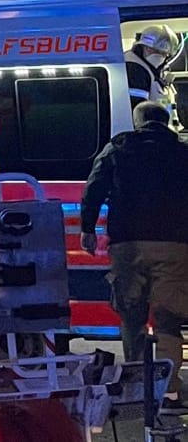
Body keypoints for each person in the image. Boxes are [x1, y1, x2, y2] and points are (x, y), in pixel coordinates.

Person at [80, 101, 188, 416]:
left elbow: (95, 186)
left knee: (131, 314)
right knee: (169, 315)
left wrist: (88, 228)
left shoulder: (119, 147)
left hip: (128, 243)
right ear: (166, 123)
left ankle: (140, 387)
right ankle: (167, 390)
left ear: (138, 122)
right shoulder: (183, 152)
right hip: (175, 243)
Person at [126, 25, 181, 115]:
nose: (158, 55)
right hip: (151, 128)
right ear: (142, 47)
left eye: (163, 53)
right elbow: (139, 113)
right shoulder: (134, 68)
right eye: (152, 50)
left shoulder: (156, 71)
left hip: (161, 128)